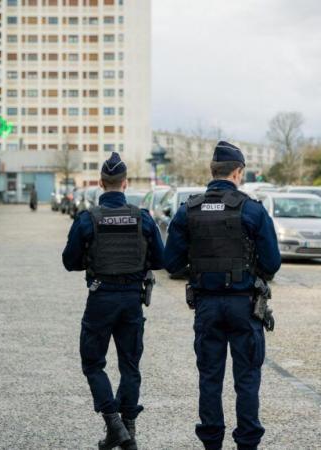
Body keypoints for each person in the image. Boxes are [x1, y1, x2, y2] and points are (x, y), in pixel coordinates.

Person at [163, 141, 281, 450]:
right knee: (247, 380)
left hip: (207, 305)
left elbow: (171, 263)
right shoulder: (252, 210)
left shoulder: (188, 210)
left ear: (212, 171)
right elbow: (271, 264)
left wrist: (201, 267)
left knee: (210, 378)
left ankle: (212, 443)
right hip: (245, 306)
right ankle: (247, 444)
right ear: (238, 172)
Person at [62, 152, 165, 450]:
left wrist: (91, 259)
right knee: (130, 365)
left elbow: (69, 261)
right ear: (125, 183)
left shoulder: (88, 219)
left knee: (93, 363)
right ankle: (127, 429)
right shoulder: (142, 217)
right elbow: (160, 259)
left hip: (101, 297)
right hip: (132, 299)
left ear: (100, 183)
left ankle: (113, 423)